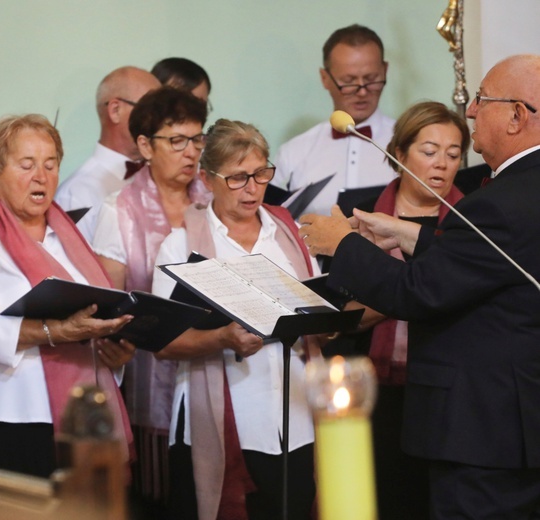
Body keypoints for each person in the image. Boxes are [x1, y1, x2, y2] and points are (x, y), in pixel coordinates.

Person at [299, 54, 540, 519]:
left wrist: (344, 244)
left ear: (517, 115)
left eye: (481, 100)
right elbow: (487, 265)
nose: (470, 111)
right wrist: (408, 234)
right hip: (515, 424)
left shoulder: (501, 201)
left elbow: (418, 293)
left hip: (486, 432)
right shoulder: (521, 192)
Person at [0, 114, 135, 478]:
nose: (41, 177)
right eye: (26, 165)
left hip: (80, 414)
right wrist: (54, 331)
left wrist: (115, 352)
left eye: (50, 165)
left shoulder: (70, 236)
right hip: (6, 412)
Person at [152, 119, 320, 520]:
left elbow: (314, 314)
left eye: (261, 174)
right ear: (207, 179)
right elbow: (162, 341)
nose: (252, 188)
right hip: (225, 413)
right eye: (238, 177)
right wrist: (222, 339)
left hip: (296, 412)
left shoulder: (290, 235)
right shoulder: (180, 245)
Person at [335, 101, 470, 520]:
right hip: (370, 384)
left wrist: (399, 288)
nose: (442, 165)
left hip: (448, 391)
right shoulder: (358, 210)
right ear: (398, 153)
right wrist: (402, 293)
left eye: (454, 154)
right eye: (429, 151)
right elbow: (337, 309)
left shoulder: (474, 221)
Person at [92, 85, 209, 512]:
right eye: (177, 141)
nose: (191, 152)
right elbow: (110, 302)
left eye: (198, 139)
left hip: (213, 368)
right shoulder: (119, 209)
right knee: (162, 502)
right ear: (144, 145)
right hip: (147, 372)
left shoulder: (213, 199)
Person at [273, 24, 395, 216]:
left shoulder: (409, 146)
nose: (362, 91)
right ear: (325, 78)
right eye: (348, 81)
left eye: (371, 78)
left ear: (385, 70)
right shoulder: (293, 152)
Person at [54, 66, 160, 241]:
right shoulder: (77, 194)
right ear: (115, 111)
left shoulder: (162, 178)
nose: (162, 120)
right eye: (153, 110)